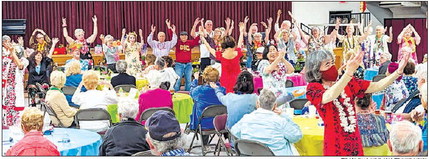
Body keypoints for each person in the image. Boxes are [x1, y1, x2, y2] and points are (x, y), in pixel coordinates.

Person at [305, 49, 410, 156]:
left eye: (332, 62)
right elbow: (329, 96)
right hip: (334, 142)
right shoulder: (313, 88)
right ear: (316, 70)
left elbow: (377, 86)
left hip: (354, 139)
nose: (332, 66)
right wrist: (348, 73)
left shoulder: (348, 82)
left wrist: (397, 72)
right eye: (327, 64)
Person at [231, 89, 302, 155]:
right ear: (275, 106)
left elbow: (234, 131)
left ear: (257, 104)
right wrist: (285, 116)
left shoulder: (246, 118)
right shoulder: (280, 121)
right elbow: (297, 136)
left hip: (250, 155)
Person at [200, 21, 245, 93]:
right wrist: (241, 32)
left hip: (225, 80)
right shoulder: (237, 52)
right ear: (233, 43)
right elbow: (240, 42)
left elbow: (209, 48)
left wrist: (203, 39)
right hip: (237, 79)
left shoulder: (220, 55)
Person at [189, 66, 225, 148]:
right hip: (220, 123)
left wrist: (195, 80)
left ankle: (205, 144)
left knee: (198, 106)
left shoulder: (199, 90)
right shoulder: (222, 90)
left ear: (205, 78)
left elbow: (191, 92)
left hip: (203, 124)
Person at [166, 19, 200, 92]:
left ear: (187, 37)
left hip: (188, 64)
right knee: (178, 80)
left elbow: (196, 40)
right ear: (180, 37)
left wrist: (197, 27)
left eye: (185, 36)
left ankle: (189, 94)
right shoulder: (177, 42)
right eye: (182, 36)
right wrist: (169, 27)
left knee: (189, 80)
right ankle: (176, 94)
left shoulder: (190, 42)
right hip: (179, 64)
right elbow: (171, 36)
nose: (184, 37)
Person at [27, 38, 59, 107]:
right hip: (33, 82)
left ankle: (42, 99)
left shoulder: (44, 62)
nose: (40, 57)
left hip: (43, 82)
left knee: (44, 86)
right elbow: (24, 57)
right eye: (38, 55)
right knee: (32, 88)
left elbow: (50, 54)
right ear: (34, 56)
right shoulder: (30, 63)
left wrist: (53, 44)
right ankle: (33, 102)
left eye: (41, 56)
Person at [2, 35, 25, 127]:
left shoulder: (23, 61)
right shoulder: (6, 59)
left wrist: (13, 52)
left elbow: (20, 66)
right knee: (6, 105)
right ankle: (6, 123)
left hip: (15, 87)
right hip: (6, 86)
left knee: (14, 106)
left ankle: (14, 123)